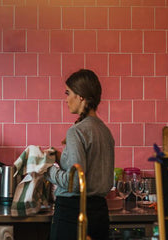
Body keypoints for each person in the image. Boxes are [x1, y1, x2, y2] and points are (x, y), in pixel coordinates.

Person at [45, 69, 115, 240]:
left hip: (73, 213)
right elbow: (88, 168)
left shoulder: (76, 131)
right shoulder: (105, 131)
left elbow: (75, 182)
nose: (66, 99)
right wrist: (60, 157)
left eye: (68, 93)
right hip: (100, 214)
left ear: (81, 96)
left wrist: (47, 170)